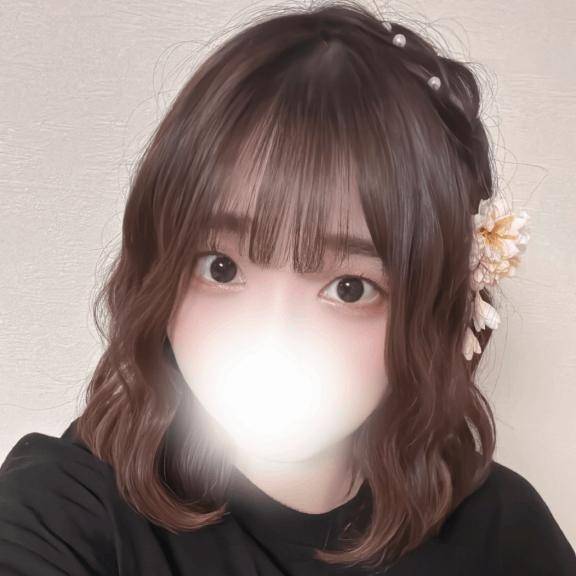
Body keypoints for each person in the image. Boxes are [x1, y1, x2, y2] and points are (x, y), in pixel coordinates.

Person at [1, 2, 575, 575]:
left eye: (349, 288)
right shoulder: (63, 510)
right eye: (220, 267)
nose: (272, 335)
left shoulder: (503, 536)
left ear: (434, 307)